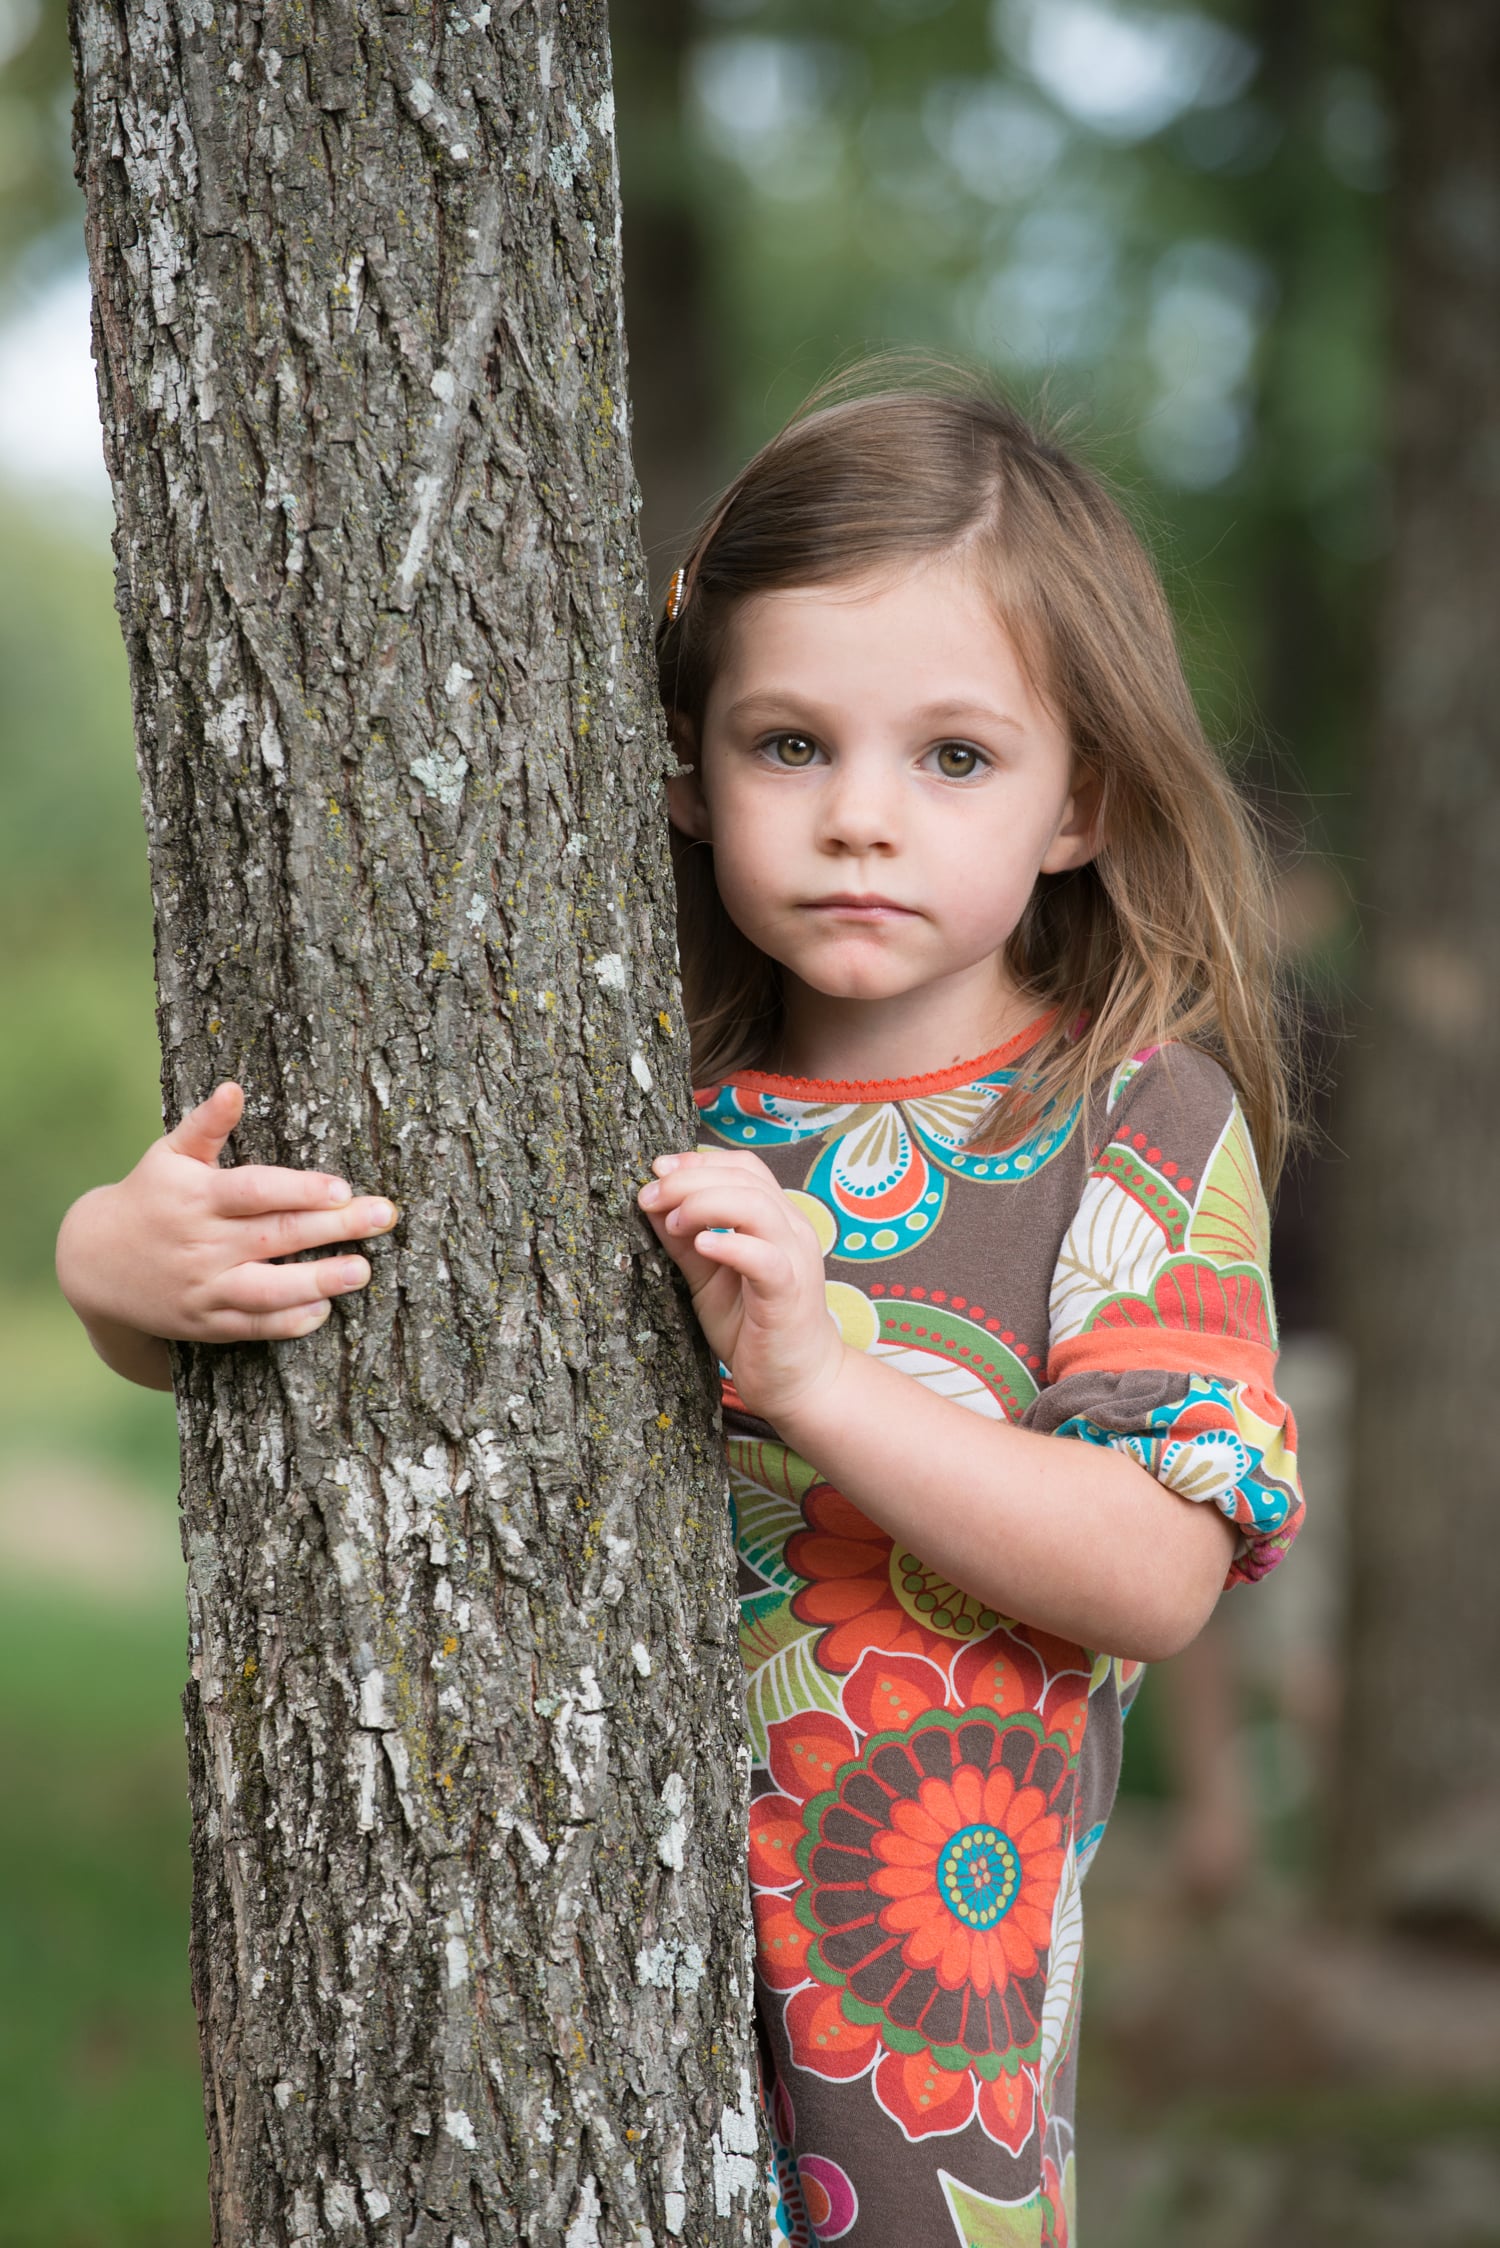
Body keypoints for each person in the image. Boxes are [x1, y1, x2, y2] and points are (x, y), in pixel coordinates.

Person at [56, 369, 1303, 2247]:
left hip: (908, 2038)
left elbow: (1158, 1566)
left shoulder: (1129, 1120)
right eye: (789, 743)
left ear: (1082, 800)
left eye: (955, 758)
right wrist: (117, 1272)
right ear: (689, 765)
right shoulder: (616, 1087)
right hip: (532, 1954)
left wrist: (821, 1378)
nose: (862, 818)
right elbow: (322, 1317)